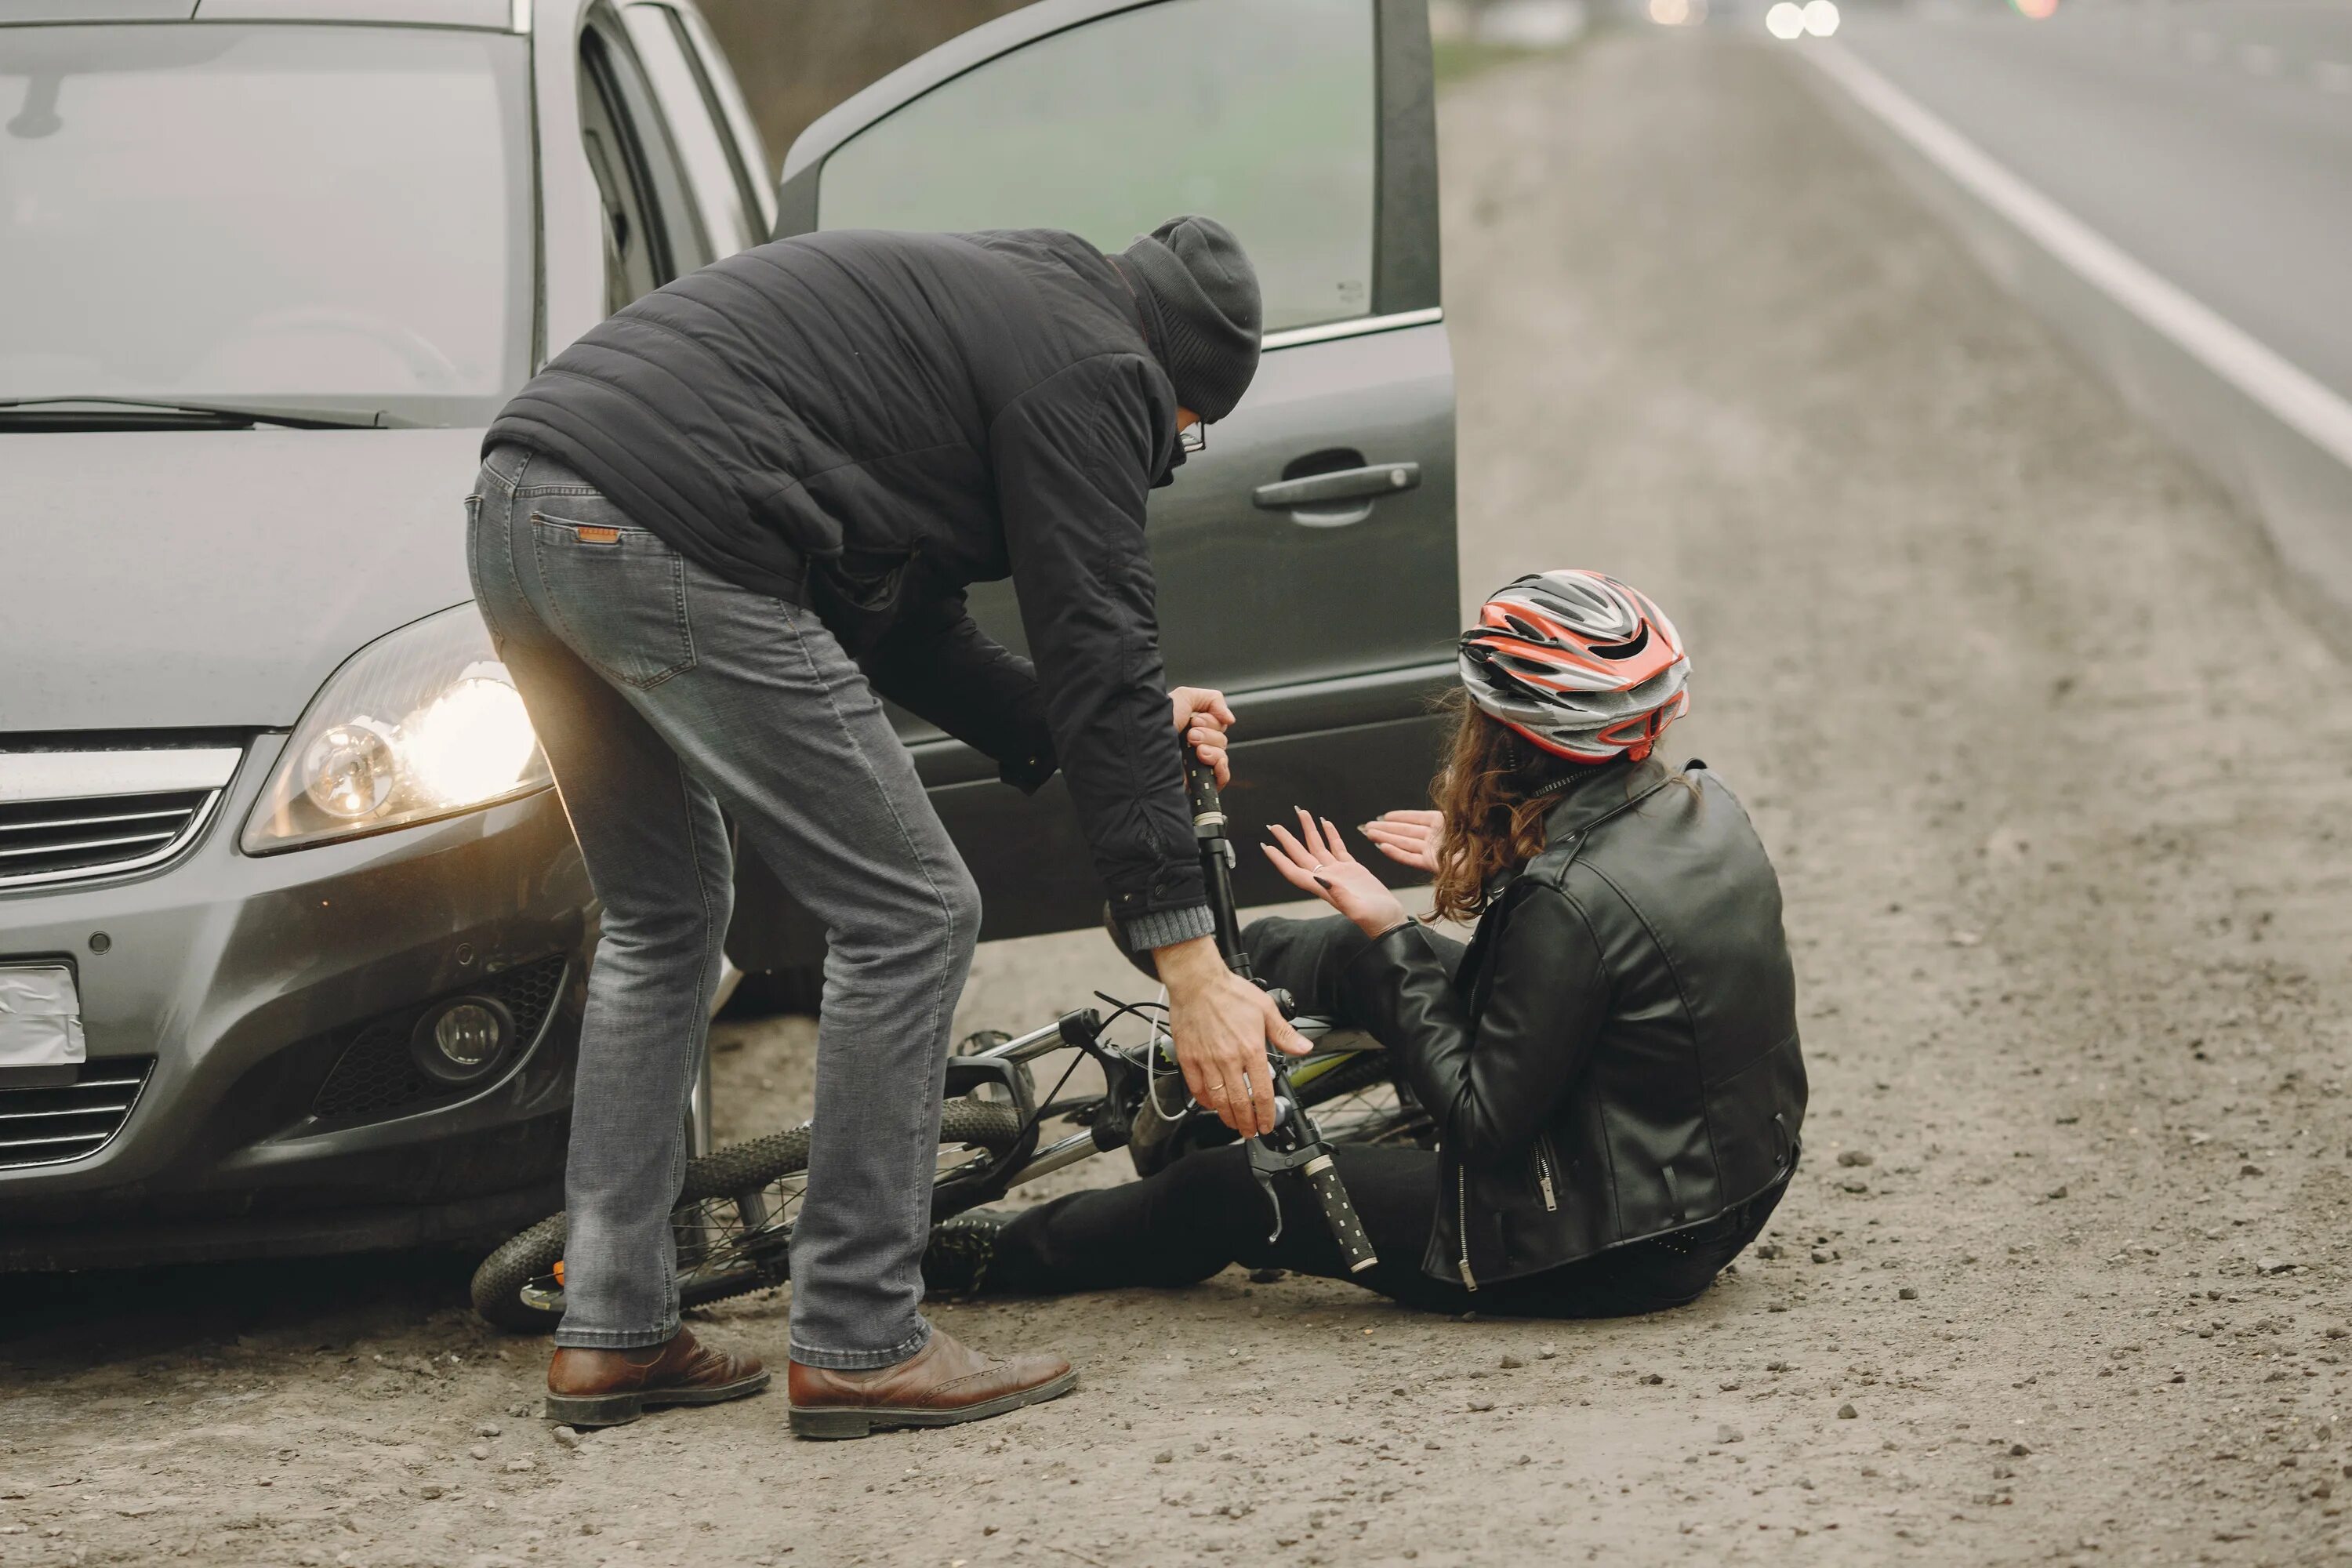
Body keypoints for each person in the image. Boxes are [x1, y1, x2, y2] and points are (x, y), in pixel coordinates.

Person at [466, 216, 1312, 1438]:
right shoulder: (1097, 370)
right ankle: (860, 1333)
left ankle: (613, 1329)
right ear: (1178, 386)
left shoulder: (999, 308)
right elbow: (1102, 647)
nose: (1171, 452)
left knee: (663, 916)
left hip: (519, 511)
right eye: (1187, 434)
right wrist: (1190, 962)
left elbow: (912, 625)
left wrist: (1104, 727)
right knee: (912, 909)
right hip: (662, 526)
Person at [923, 571, 1808, 1319]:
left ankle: (973, 1257)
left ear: (1513, 733)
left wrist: (1394, 927)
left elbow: (1481, 1120)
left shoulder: (1563, 901)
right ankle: (1209, 971)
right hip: (1718, 1183)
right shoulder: (1704, 808)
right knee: (1355, 951)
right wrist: (1492, 866)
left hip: (1602, 1243)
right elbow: (1614, 959)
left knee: (1223, 1192)